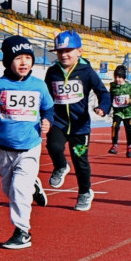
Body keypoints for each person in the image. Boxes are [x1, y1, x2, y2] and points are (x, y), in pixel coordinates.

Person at [0, 35, 54, 250]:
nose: (24, 62)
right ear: (8, 61)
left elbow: (48, 109)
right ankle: (34, 186)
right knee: (8, 188)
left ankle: (22, 232)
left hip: (30, 147)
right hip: (5, 149)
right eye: (18, 58)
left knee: (19, 189)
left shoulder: (39, 86)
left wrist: (47, 120)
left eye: (28, 58)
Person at [44, 30, 110, 211]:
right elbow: (46, 96)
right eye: (59, 51)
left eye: (68, 51)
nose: (64, 55)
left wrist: (103, 108)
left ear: (79, 51)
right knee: (53, 146)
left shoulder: (87, 72)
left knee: (80, 159)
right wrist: (44, 116)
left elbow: (103, 92)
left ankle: (84, 192)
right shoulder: (52, 72)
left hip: (80, 126)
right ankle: (60, 166)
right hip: (58, 122)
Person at [108, 65, 131, 158]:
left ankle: (130, 147)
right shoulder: (112, 86)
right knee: (115, 126)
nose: (117, 79)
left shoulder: (129, 87)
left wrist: (130, 101)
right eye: (116, 77)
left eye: (119, 77)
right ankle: (114, 146)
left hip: (128, 113)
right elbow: (110, 98)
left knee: (129, 131)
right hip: (118, 111)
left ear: (124, 78)